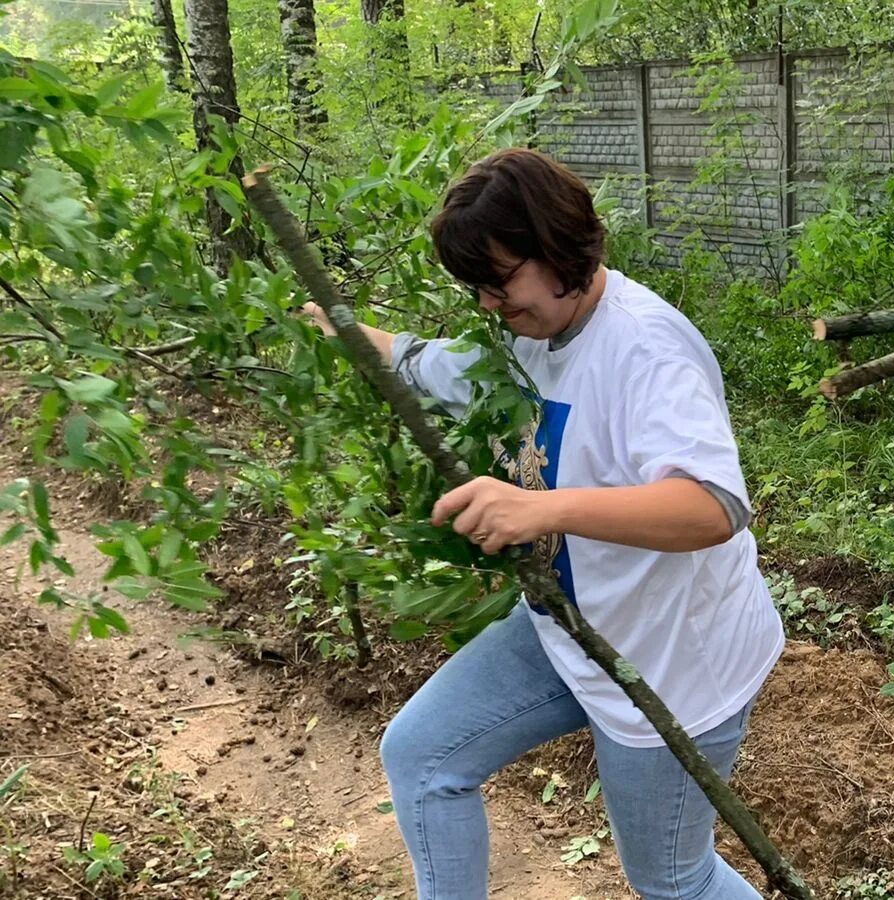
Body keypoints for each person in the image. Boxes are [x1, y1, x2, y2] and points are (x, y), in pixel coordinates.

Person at [302, 148, 782, 900]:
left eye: (502, 282)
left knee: (674, 880)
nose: (492, 304)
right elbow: (450, 370)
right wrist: (355, 335)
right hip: (570, 625)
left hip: (669, 662)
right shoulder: (529, 334)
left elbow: (711, 507)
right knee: (424, 757)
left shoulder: (648, 348)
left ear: (560, 248)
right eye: (479, 290)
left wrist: (541, 507)